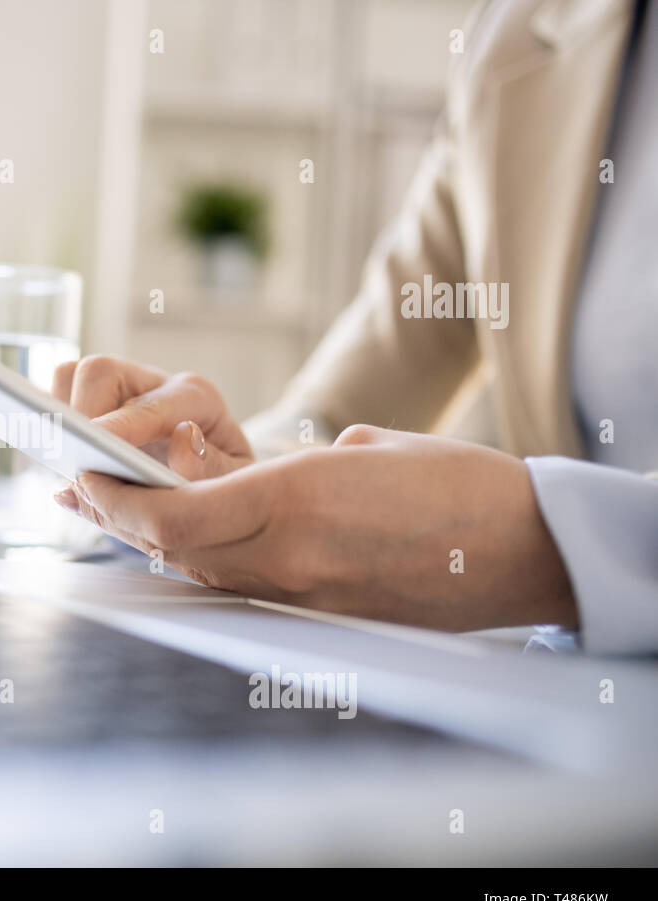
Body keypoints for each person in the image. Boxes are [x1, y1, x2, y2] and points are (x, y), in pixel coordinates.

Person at [52, 0, 657, 654]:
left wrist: (541, 544)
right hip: (570, 714)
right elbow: (341, 409)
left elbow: (533, 538)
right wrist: (216, 477)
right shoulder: (518, 35)